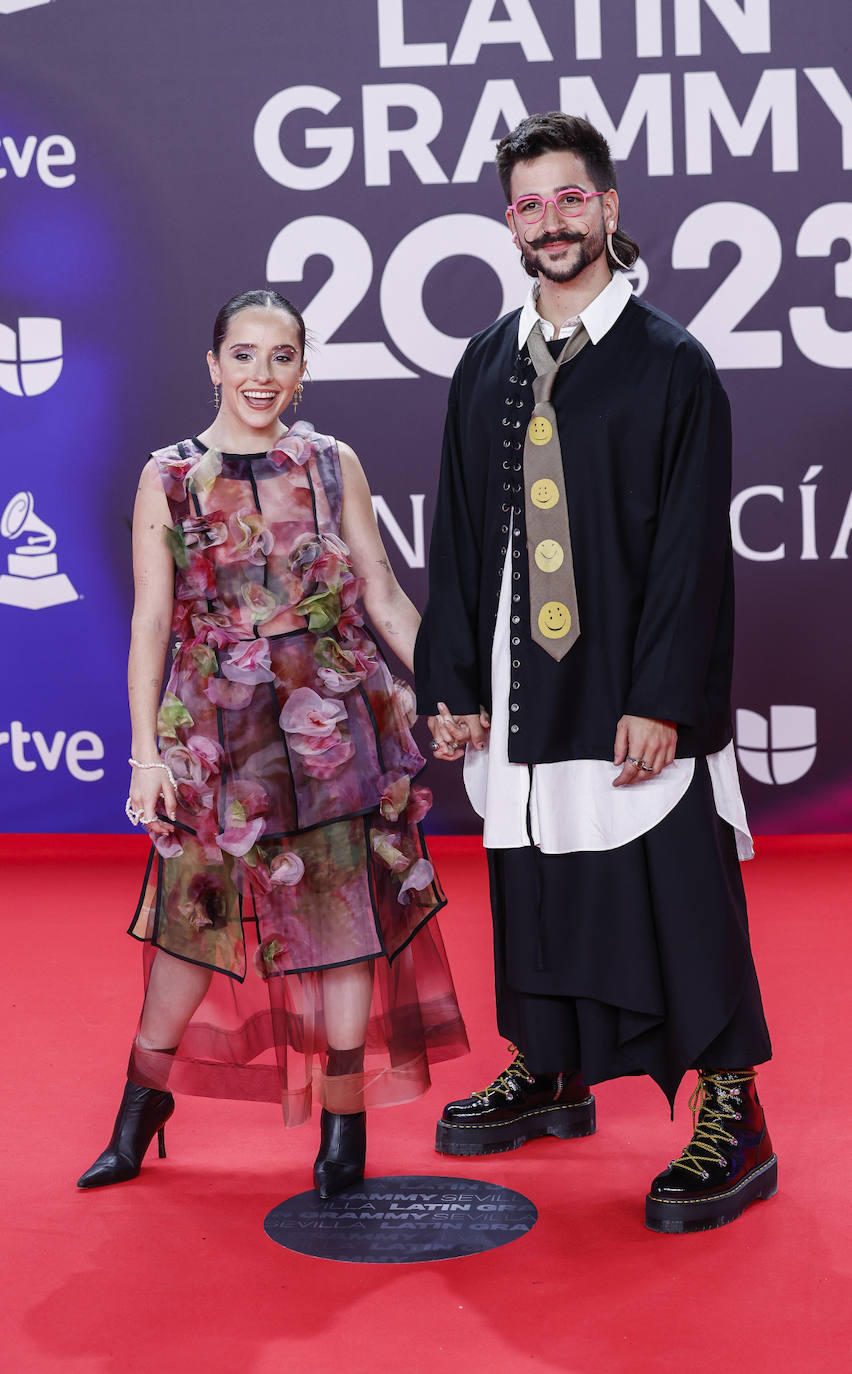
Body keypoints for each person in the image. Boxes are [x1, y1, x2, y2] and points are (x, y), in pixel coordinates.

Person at [415, 113, 776, 1234]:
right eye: (531, 204)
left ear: (609, 207)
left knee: (675, 887)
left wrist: (663, 697)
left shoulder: (672, 363)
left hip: (626, 681)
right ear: (509, 223)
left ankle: (735, 1115)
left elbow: (692, 551)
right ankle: (552, 1065)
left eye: (571, 198)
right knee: (534, 878)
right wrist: (452, 681)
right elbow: (460, 534)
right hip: (518, 676)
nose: (553, 221)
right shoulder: (485, 361)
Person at [78, 288, 467, 1197]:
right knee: (193, 929)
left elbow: (382, 592)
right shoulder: (170, 477)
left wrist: (450, 695)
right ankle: (142, 1100)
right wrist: (145, 755)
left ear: (302, 370)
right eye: (244, 355)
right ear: (213, 365)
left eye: (281, 356)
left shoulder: (333, 464)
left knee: (344, 924)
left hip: (335, 727)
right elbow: (150, 623)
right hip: (214, 731)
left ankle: (343, 1123)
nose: (261, 375)